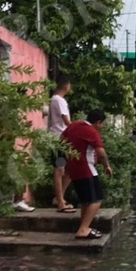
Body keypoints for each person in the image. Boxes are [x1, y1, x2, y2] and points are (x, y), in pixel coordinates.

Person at [61, 109, 111, 240]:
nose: (102, 127)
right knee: (97, 199)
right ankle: (83, 230)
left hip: (73, 169)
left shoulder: (73, 125)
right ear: (98, 122)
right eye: (102, 124)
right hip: (87, 169)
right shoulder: (92, 132)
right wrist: (107, 166)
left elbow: (61, 139)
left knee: (85, 200)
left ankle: (84, 226)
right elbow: (101, 153)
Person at [49, 76, 75, 213]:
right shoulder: (60, 101)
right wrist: (77, 130)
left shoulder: (54, 99)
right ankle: (60, 202)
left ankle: (59, 198)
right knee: (60, 170)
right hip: (59, 139)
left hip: (61, 139)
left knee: (69, 170)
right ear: (66, 86)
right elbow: (66, 121)